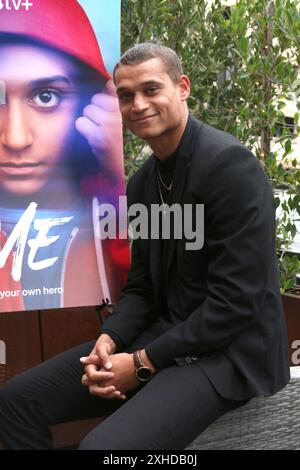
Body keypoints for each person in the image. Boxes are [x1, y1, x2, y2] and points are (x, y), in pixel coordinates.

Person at [0, 42, 290, 450]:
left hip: (229, 354)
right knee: (17, 401)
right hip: (164, 340)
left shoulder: (230, 168)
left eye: (151, 89)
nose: (138, 104)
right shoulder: (142, 184)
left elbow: (235, 303)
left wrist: (141, 363)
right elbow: (142, 288)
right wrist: (111, 339)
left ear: (182, 87)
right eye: (126, 95)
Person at [0, 0, 129, 311]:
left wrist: (116, 185)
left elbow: (155, 295)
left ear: (92, 104)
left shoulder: (107, 216)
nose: (16, 138)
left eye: (46, 97)